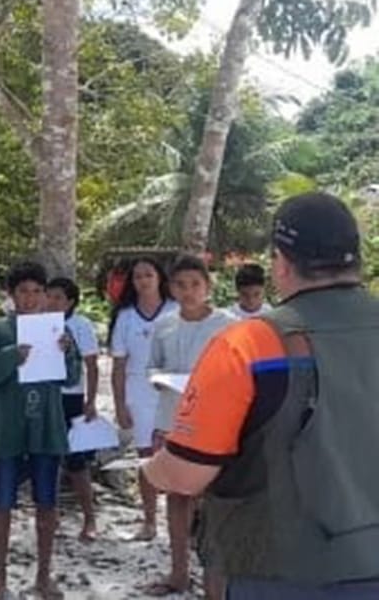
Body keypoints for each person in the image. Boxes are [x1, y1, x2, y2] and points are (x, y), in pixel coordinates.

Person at [144, 192, 379, 598]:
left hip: (281, 571)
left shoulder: (250, 343)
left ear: (282, 263)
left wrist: (149, 471)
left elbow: (185, 474)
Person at [0, 261, 81, 600]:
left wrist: (67, 352)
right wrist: (9, 357)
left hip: (46, 428)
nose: (31, 298)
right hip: (8, 428)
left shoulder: (58, 330)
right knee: (3, 502)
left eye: (38, 292)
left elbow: (72, 377)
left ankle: (43, 576)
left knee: (47, 503)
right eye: (24, 291)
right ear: (11, 294)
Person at [145, 255, 233, 597]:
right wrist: (161, 379)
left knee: (211, 499)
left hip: (213, 421)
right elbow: (152, 366)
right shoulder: (165, 325)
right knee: (176, 495)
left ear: (208, 287)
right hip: (172, 418)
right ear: (170, 288)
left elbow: (237, 369)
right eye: (180, 285)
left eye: (195, 284)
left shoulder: (227, 324)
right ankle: (178, 571)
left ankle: (215, 581)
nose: (188, 291)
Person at [109, 257, 176, 541]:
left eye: (149, 274)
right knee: (146, 459)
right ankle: (149, 521)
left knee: (177, 457)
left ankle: (180, 523)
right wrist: (119, 404)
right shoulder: (125, 316)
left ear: (160, 277)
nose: (143, 281)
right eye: (138, 277)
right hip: (138, 390)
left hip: (173, 390)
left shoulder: (176, 310)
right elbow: (118, 365)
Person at [46, 277, 99, 542]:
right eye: (50, 296)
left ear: (70, 302)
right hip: (46, 396)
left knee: (77, 461)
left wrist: (90, 401)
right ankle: (50, 515)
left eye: (58, 297)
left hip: (72, 397)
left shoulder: (81, 326)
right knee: (48, 458)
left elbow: (91, 364)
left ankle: (89, 518)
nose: (52, 301)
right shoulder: (38, 324)